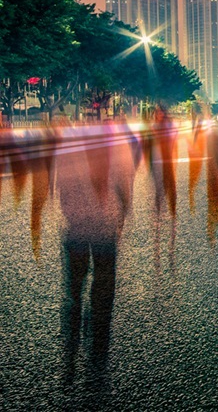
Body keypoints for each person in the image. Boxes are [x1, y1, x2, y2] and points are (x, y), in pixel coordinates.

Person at [57, 118, 139, 380]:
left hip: (77, 227)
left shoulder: (70, 144)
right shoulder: (118, 146)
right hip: (105, 225)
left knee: (75, 283)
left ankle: (73, 331)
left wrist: (71, 215)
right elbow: (125, 187)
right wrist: (121, 218)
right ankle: (98, 335)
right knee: (104, 281)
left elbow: (62, 188)